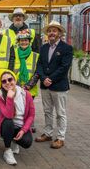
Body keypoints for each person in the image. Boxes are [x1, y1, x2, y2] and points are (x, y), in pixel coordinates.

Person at [34, 21, 73, 149]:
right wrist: (44, 78)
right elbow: (39, 65)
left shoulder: (66, 48)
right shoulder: (43, 47)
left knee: (60, 113)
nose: (51, 33)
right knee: (47, 111)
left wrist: (50, 79)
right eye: (50, 31)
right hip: (45, 86)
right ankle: (48, 133)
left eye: (54, 30)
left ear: (60, 33)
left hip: (59, 86)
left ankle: (61, 138)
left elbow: (64, 67)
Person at [0, 71, 35, 165]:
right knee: (8, 121)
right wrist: (9, 98)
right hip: (6, 126)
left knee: (27, 142)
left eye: (10, 79)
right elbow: (9, 115)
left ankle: (14, 141)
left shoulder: (26, 94)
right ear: (1, 84)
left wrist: (23, 130)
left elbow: (31, 115)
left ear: (14, 80)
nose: (7, 83)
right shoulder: (0, 96)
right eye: (4, 81)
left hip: (20, 126)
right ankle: (7, 150)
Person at [13, 30, 40, 132]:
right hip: (16, 87)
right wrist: (18, 86)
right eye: (22, 40)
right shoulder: (14, 53)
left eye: (26, 40)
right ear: (18, 42)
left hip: (30, 88)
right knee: (17, 107)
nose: (24, 42)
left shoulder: (35, 56)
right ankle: (17, 126)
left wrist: (28, 86)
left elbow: (37, 72)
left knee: (28, 108)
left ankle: (28, 126)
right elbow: (10, 69)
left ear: (29, 42)